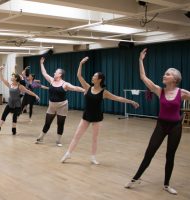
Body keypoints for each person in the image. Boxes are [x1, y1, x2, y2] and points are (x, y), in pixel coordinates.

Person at [125, 49, 190, 195]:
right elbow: (143, 77)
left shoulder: (183, 93)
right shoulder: (159, 91)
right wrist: (140, 60)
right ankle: (136, 178)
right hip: (161, 125)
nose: (164, 75)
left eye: (167, 74)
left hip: (175, 127)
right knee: (149, 152)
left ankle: (166, 185)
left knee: (170, 155)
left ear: (175, 78)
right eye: (165, 73)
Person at [61, 56, 139, 164]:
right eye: (93, 76)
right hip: (86, 116)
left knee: (94, 138)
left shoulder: (104, 92)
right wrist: (80, 63)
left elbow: (118, 98)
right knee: (77, 136)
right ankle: (68, 153)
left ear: (99, 79)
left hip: (97, 117)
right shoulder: (88, 88)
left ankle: (93, 157)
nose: (92, 77)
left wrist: (131, 101)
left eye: (94, 76)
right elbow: (79, 76)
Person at [35, 57, 85, 147]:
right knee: (47, 122)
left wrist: (84, 90)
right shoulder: (51, 80)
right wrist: (41, 63)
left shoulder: (65, 84)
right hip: (52, 106)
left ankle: (58, 141)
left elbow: (75, 88)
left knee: (60, 123)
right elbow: (44, 73)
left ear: (60, 74)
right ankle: (41, 138)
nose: (54, 73)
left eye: (56, 72)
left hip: (62, 106)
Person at [0, 65, 40, 135]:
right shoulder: (10, 85)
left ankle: (14, 130)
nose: (11, 77)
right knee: (4, 115)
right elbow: (2, 79)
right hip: (9, 103)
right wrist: (0, 70)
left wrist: (35, 95)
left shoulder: (20, 86)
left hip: (17, 104)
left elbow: (28, 91)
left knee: (14, 117)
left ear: (16, 79)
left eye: (13, 76)